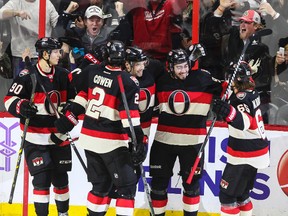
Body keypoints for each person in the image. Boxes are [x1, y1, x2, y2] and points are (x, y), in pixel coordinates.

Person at [54, 40, 148, 216]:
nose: (142, 67)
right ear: (125, 62)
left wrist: (70, 118)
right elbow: (130, 118)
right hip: (111, 142)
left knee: (100, 187)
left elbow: (78, 86)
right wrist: (139, 140)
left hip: (89, 140)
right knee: (126, 188)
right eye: (138, 64)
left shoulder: (92, 71)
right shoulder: (127, 81)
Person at [4, 37, 76, 216]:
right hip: (35, 139)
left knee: (61, 180)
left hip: (59, 138)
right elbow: (9, 100)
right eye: (56, 52)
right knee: (41, 180)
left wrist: (68, 115)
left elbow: (74, 102)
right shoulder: (27, 75)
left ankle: (63, 214)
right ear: (45, 54)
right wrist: (21, 107)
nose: (60, 55)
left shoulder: (62, 74)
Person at [149, 47, 224, 216]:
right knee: (158, 185)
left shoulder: (203, 78)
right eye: (179, 67)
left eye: (185, 66)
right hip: (164, 142)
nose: (183, 71)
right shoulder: (161, 81)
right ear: (170, 68)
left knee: (191, 186)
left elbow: (226, 89)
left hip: (192, 144)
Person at [212, 61, 270, 216]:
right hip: (256, 151)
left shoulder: (240, 98)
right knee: (242, 194)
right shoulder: (251, 91)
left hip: (244, 154)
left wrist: (228, 112)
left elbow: (245, 123)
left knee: (227, 196)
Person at [0, 0, 59, 78]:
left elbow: (57, 23)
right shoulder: (15, 2)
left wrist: (68, 11)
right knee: (21, 86)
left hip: (43, 55)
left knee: (43, 87)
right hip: (21, 54)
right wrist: (16, 13)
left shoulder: (45, 2)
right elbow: (1, 14)